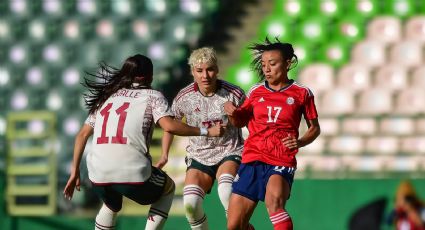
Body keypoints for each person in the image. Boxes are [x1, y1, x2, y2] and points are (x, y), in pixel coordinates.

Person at [63, 54, 225, 230]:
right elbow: (169, 126)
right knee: (167, 189)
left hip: (96, 172)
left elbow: (81, 135)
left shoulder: (107, 97)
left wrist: (74, 172)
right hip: (131, 169)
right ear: (151, 76)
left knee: (111, 205)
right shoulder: (153, 96)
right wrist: (205, 131)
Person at [224, 38, 321, 230]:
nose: (267, 69)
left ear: (288, 63)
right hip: (252, 159)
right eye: (263, 64)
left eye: (272, 64)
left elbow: (315, 128)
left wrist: (299, 142)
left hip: (280, 159)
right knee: (234, 226)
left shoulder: (301, 93)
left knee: (274, 204)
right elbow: (239, 121)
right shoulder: (256, 91)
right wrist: (232, 113)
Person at [160, 47, 245, 229]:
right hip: (199, 155)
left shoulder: (234, 93)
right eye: (199, 71)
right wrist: (164, 154)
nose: (205, 75)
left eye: (210, 69)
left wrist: (235, 115)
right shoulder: (184, 97)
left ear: (217, 69)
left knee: (226, 191)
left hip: (229, 151)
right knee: (191, 204)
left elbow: (247, 123)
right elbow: (170, 125)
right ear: (192, 72)